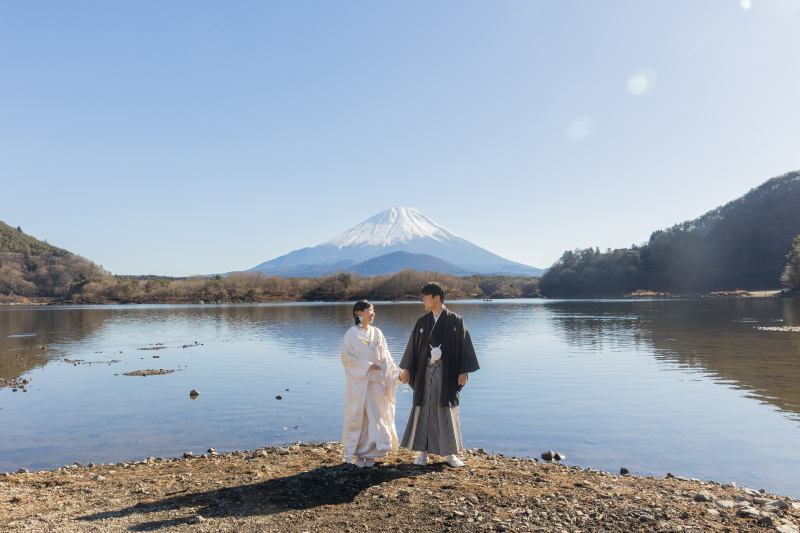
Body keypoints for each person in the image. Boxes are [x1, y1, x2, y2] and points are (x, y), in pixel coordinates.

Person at [399, 282, 480, 467]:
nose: (423, 301)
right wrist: (406, 369)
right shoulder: (422, 321)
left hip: (447, 372)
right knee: (424, 410)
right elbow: (413, 347)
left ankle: (451, 454)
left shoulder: (455, 320)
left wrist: (463, 371)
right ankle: (422, 454)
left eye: (426, 298)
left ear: (437, 298)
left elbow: (464, 347)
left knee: (446, 409)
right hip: (425, 371)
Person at [341, 300, 401, 467]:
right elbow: (346, 359)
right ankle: (360, 454)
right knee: (362, 417)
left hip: (378, 383)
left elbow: (387, 358)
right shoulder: (351, 335)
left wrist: (397, 374)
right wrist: (366, 366)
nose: (373, 313)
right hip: (361, 383)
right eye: (370, 310)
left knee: (378, 415)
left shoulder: (377, 332)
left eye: (373, 310)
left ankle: (373, 454)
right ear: (359, 313)